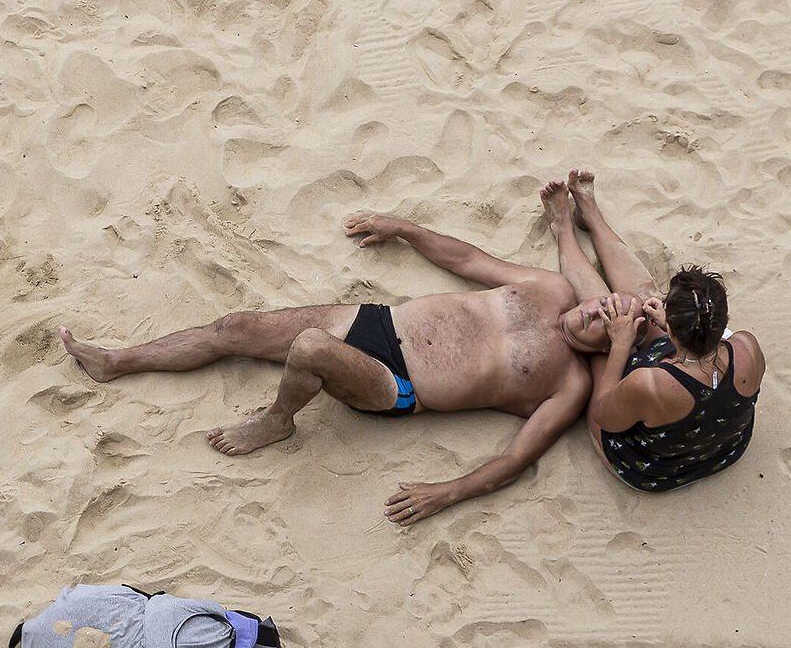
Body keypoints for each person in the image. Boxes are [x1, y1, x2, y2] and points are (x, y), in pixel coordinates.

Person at [60, 177, 633, 525]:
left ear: (611, 346)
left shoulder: (569, 384)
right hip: (376, 322)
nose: (590, 310)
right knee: (235, 327)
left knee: (311, 348)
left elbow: (516, 459)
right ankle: (118, 362)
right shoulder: (552, 289)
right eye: (598, 302)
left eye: (602, 321)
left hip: (396, 385)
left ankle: (278, 421)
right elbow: (469, 261)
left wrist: (446, 493)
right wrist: (404, 228)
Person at [587, 253, 764, 494]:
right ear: (724, 322)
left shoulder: (649, 384)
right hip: (726, 451)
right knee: (635, 319)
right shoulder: (747, 346)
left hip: (653, 472)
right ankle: (593, 223)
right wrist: (666, 323)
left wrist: (619, 346)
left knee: (599, 352)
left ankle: (574, 228)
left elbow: (602, 415)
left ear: (670, 332)